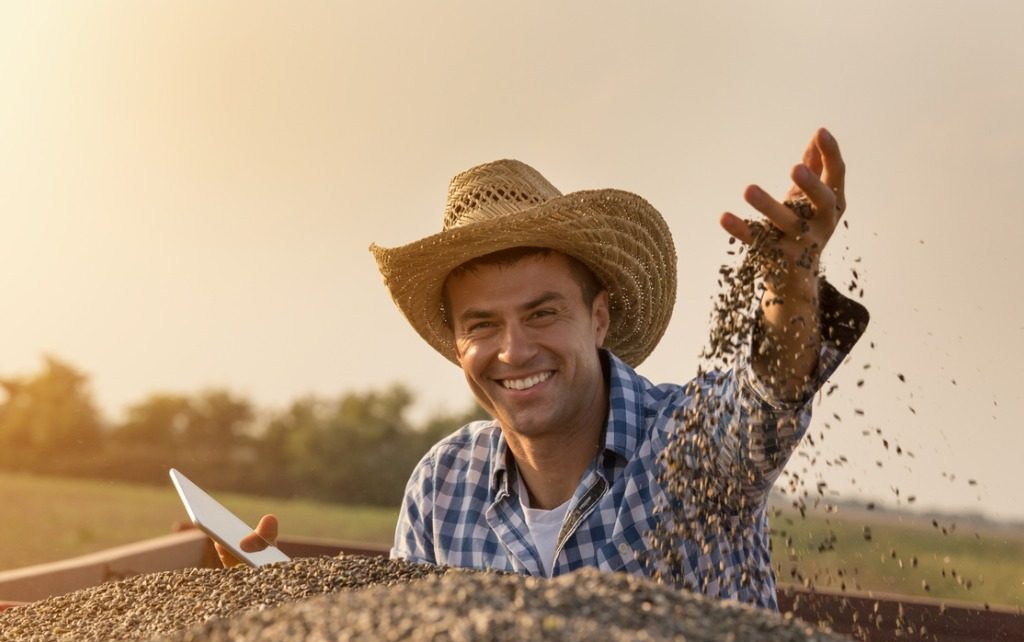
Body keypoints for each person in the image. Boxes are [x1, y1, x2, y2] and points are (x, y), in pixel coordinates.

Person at [220, 128, 868, 610]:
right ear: (455, 345)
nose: (514, 350)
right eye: (482, 325)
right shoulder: (441, 487)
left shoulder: (690, 445)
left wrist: (791, 283)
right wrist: (283, 606)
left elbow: (766, 406)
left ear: (600, 319)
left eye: (541, 313)